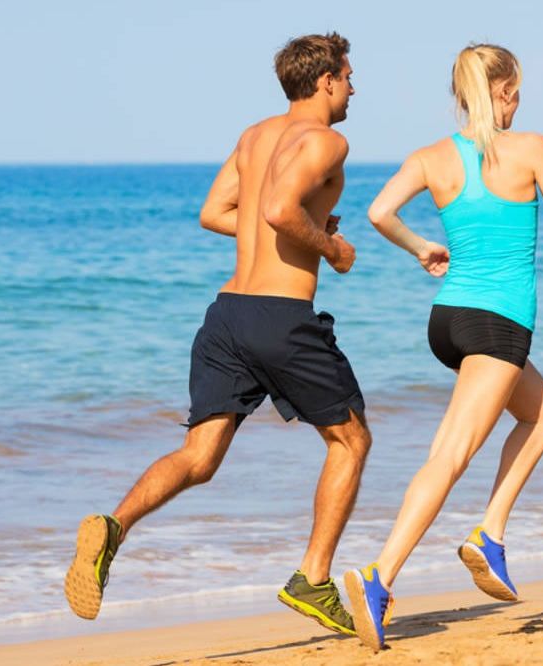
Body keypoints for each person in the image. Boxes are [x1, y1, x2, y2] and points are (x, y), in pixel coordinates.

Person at [63, 32, 369, 636]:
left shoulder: (253, 136)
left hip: (226, 316)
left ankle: (113, 528)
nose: (354, 87)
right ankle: (313, 578)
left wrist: (304, 222)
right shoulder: (329, 141)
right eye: (349, 76)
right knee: (351, 440)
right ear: (327, 79)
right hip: (282, 317)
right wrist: (331, 246)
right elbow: (281, 210)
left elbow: (216, 213)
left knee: (200, 457)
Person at [344, 43, 543, 651]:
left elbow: (379, 212)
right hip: (497, 325)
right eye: (515, 95)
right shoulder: (531, 148)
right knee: (449, 456)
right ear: (504, 93)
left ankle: (492, 533)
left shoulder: (432, 156)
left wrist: (422, 246)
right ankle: (379, 578)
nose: (517, 106)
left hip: (449, 321)